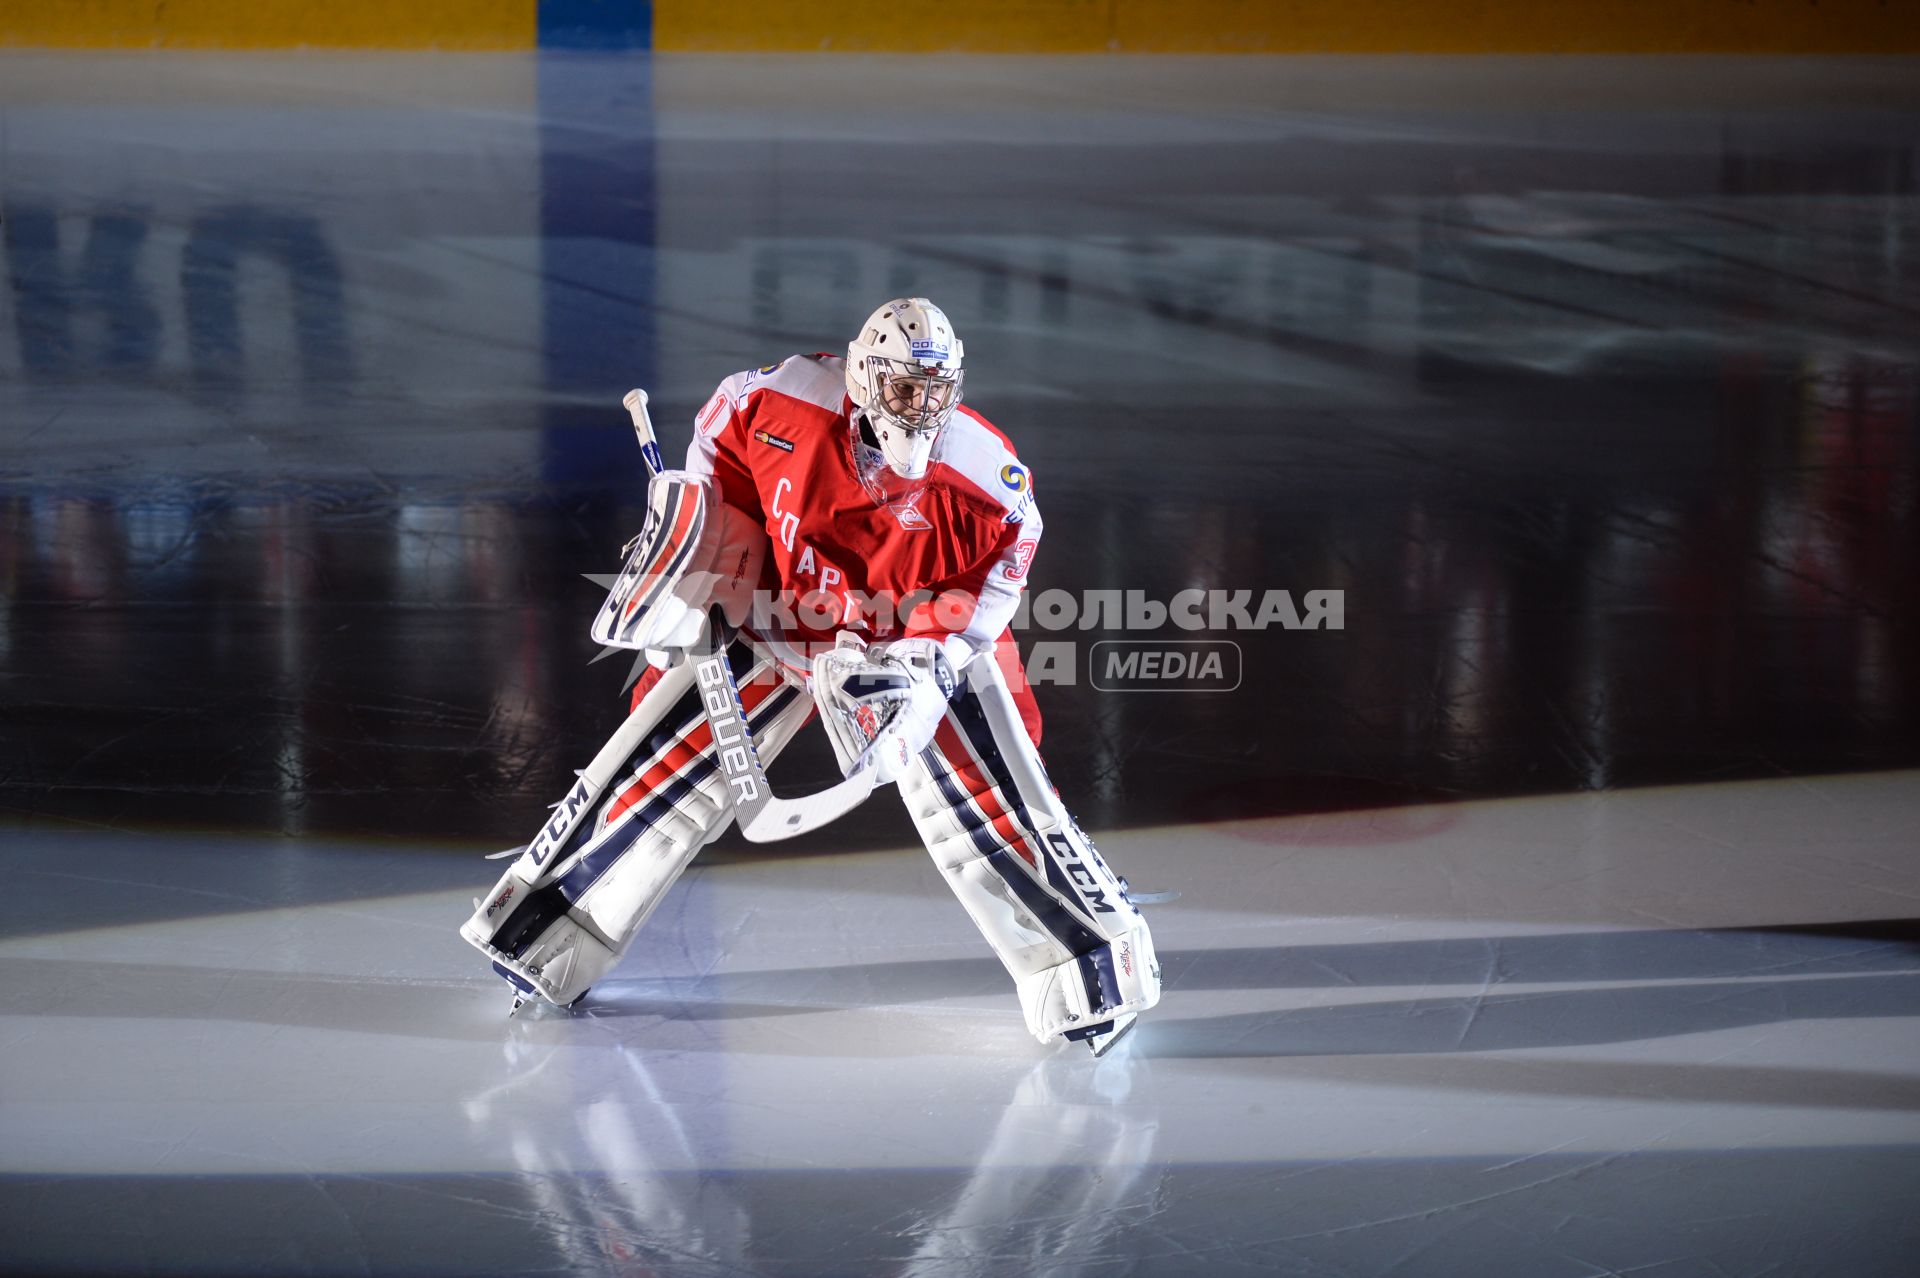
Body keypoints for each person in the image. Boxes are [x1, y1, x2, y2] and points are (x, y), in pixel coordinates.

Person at [461, 298, 1160, 1054]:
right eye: (903, 389)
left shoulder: (987, 474)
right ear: (863, 376)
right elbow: (717, 440)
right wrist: (700, 540)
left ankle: (1091, 973)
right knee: (656, 775)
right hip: (780, 613)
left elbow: (1001, 575)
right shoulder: (778, 399)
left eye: (936, 390)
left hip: (904, 647)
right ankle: (543, 934)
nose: (922, 408)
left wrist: (937, 666)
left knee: (994, 804)